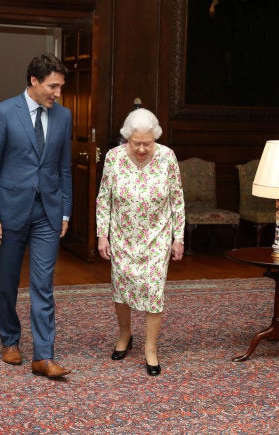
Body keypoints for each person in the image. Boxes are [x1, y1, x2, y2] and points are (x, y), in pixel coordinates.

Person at [0, 53, 73, 379]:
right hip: (8, 212)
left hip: (47, 212)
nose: (57, 93)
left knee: (43, 284)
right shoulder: (3, 113)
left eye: (60, 87)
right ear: (34, 81)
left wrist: (65, 211)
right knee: (7, 283)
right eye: (53, 86)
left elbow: (64, 169)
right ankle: (10, 340)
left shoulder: (64, 116)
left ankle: (43, 356)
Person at [96, 108, 185, 376]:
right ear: (127, 138)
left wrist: (178, 238)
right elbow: (104, 198)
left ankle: (150, 348)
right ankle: (125, 335)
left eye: (148, 143)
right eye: (137, 143)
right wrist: (103, 233)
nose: (143, 149)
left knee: (153, 291)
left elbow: (177, 199)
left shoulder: (168, 157)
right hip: (123, 235)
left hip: (156, 236)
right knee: (121, 287)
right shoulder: (113, 157)